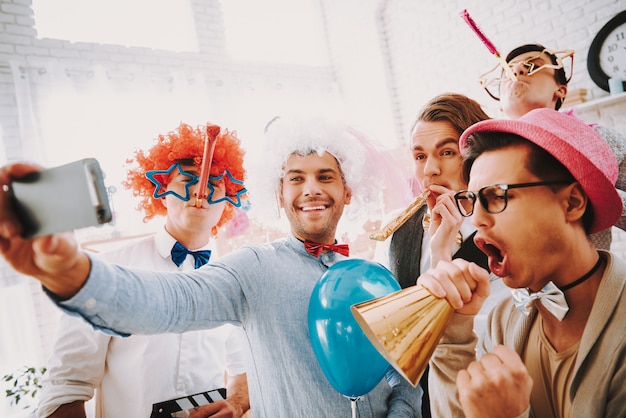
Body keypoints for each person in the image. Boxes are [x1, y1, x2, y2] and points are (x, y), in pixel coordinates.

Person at [0, 116, 423, 418]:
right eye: (296, 178)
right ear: (277, 193)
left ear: (347, 191)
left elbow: (401, 380)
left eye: (325, 176)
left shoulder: (375, 276)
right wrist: (68, 270)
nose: (311, 188)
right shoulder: (252, 268)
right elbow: (168, 301)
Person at [418, 108, 625, 417]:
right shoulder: (504, 319)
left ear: (572, 203)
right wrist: (452, 336)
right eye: (472, 200)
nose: (477, 219)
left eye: (497, 196)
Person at [35, 122, 251, 418]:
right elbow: (66, 388)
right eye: (187, 179)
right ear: (161, 191)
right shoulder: (107, 271)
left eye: (214, 183)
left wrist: (237, 402)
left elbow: (243, 365)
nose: (200, 192)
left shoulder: (235, 276)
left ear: (228, 197)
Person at [374, 93, 499, 418]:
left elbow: (499, 330)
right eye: (419, 156)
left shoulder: (504, 228)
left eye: (446, 152)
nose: (430, 170)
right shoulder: (396, 232)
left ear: (476, 154)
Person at [478, 43, 626, 250]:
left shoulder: (599, 139)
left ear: (560, 90)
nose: (518, 71)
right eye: (510, 70)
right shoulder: (484, 159)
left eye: (532, 66)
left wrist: (593, 191)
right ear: (500, 103)